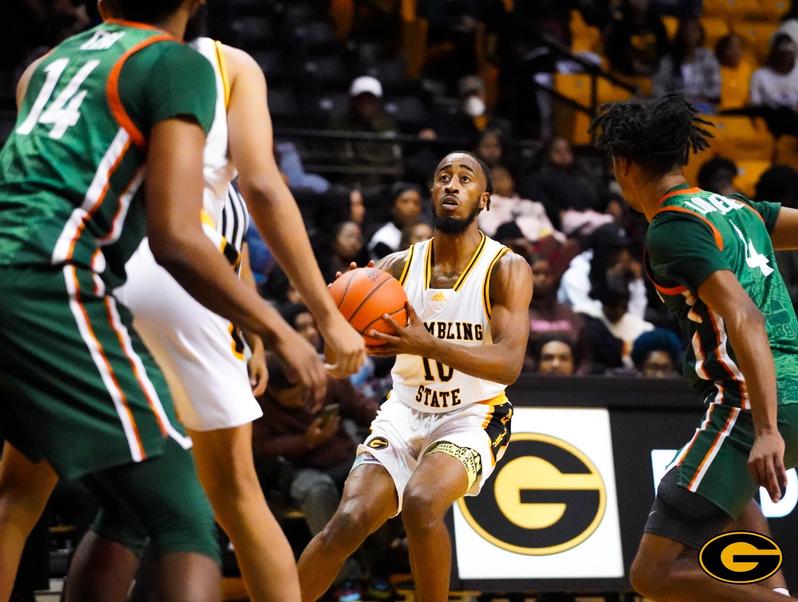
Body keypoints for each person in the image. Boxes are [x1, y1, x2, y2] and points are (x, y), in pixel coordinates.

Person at [1, 4, 368, 602]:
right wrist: (311, 319)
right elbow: (259, 194)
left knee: (41, 496)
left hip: (70, 277)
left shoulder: (50, 68)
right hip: (173, 275)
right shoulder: (215, 65)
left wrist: (251, 335)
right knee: (225, 502)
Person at [0, 2, 253, 600]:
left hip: (28, 272)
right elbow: (181, 236)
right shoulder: (181, 64)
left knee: (93, 501)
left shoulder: (50, 65)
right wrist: (284, 327)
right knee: (189, 515)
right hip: (62, 282)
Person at [296, 151, 533, 602]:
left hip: (474, 414)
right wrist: (335, 314)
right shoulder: (395, 269)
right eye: (443, 176)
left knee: (423, 502)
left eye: (465, 179)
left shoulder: (505, 269)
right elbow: (338, 359)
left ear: (483, 199)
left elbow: (508, 365)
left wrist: (427, 344)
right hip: (405, 412)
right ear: (430, 191)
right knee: (348, 520)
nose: (452, 185)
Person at [592, 92, 798, 601]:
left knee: (653, 573)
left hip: (752, 402)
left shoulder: (672, 227)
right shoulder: (733, 207)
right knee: (736, 519)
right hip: (789, 386)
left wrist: (767, 429)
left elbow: (744, 316)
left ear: (622, 164)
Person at [254, 357, 384, 602]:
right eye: (295, 396)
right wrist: (306, 441)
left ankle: (379, 567)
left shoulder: (324, 379)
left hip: (342, 457)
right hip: (294, 470)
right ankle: (346, 578)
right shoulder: (256, 398)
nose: (305, 398)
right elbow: (260, 448)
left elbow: (361, 407)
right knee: (318, 492)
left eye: (306, 390)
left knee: (379, 481)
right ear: (273, 391)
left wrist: (389, 426)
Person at [652, 17, 720, 112]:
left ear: (700, 34)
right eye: (686, 29)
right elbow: (658, 85)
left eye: (694, 30)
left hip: (702, 103)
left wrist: (703, 97)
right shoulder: (669, 58)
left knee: (704, 111)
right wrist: (669, 101)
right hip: (674, 104)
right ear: (680, 33)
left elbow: (715, 86)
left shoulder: (708, 56)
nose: (690, 33)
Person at [367, 182, 423, 259]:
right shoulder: (384, 239)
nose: (411, 207)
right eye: (405, 201)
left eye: (416, 202)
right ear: (393, 207)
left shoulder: (425, 231)